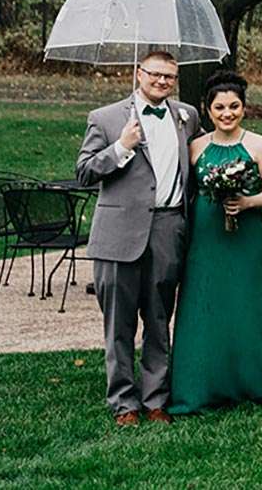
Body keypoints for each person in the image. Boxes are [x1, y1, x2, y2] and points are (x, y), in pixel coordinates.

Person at [76, 50, 201, 426]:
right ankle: (124, 402)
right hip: (118, 234)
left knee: (159, 318)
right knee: (119, 323)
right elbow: (84, 171)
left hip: (168, 229)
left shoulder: (187, 116)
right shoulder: (106, 118)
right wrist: (121, 147)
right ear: (138, 73)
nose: (162, 81)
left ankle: (155, 398)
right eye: (155, 74)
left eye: (169, 76)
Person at [168, 71, 262, 415]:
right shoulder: (196, 147)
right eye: (220, 107)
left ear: (244, 107)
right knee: (201, 303)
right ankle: (198, 384)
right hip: (204, 237)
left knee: (243, 303)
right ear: (207, 110)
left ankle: (250, 379)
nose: (227, 113)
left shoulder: (260, 146)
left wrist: (247, 202)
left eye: (234, 106)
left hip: (244, 238)